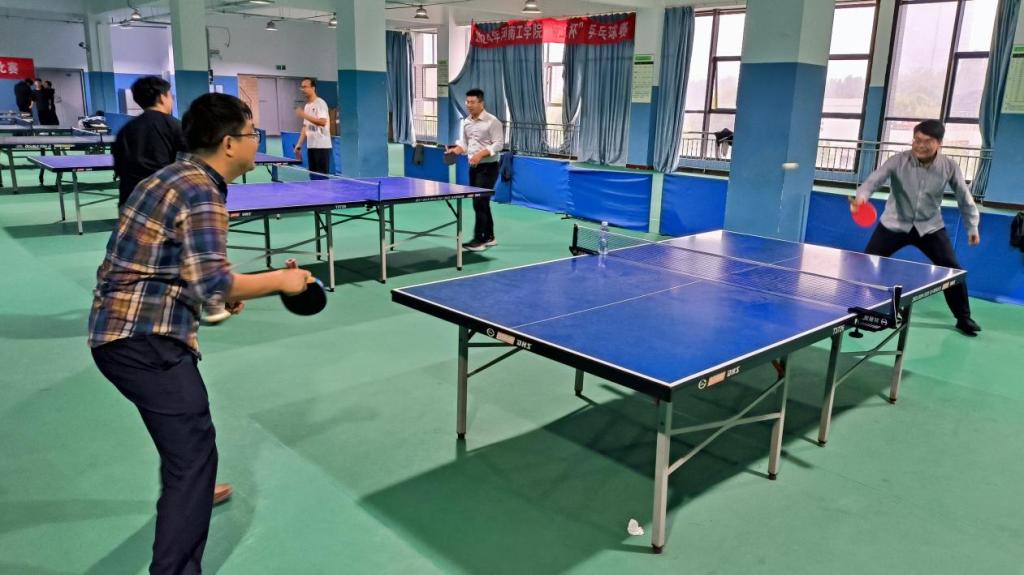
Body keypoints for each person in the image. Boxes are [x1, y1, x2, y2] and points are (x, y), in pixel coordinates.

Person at [89, 93, 313, 575]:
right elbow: (212, 279)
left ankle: (191, 486)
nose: (257, 142)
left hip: (120, 328)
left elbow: (175, 266)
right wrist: (282, 280)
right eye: (252, 134)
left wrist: (213, 296)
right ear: (230, 143)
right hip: (142, 338)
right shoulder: (201, 192)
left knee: (184, 446)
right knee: (193, 453)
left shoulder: (174, 176)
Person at [851, 119, 982, 336]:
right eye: (916, 140)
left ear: (939, 143)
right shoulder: (897, 161)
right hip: (894, 224)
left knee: (952, 270)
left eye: (926, 141)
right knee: (867, 264)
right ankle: (860, 310)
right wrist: (861, 198)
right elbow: (872, 181)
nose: (920, 145)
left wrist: (972, 227)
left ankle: (963, 317)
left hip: (929, 227)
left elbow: (964, 197)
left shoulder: (949, 166)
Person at [112, 76, 188, 208]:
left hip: (130, 200)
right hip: (164, 202)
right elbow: (189, 166)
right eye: (170, 96)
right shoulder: (176, 126)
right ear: (162, 97)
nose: (172, 100)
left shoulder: (125, 130)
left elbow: (119, 166)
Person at [446, 88, 504, 252]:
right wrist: (455, 150)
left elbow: (499, 144)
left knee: (479, 202)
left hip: (489, 167)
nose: (469, 105)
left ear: (481, 103)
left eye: (472, 102)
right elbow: (464, 144)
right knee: (481, 202)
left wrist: (480, 154)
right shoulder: (466, 122)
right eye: (467, 102)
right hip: (473, 167)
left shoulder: (492, 122)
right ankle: (490, 237)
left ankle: (479, 240)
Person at [293, 77, 331, 176]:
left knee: (322, 178)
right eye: (302, 87)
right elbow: (305, 127)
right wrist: (299, 144)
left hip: (322, 146)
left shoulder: (320, 103)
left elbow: (322, 122)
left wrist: (304, 115)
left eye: (305, 87)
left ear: (313, 88)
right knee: (313, 177)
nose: (303, 89)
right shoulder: (307, 106)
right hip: (311, 146)